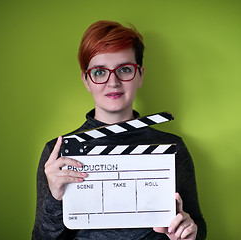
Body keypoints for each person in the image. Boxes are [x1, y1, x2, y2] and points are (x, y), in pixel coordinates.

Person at [32, 20, 206, 240]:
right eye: (99, 72)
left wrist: (188, 233)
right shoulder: (58, 155)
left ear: (140, 75)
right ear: (86, 80)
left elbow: (197, 225)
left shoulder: (171, 148)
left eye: (124, 69)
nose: (112, 82)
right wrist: (54, 198)